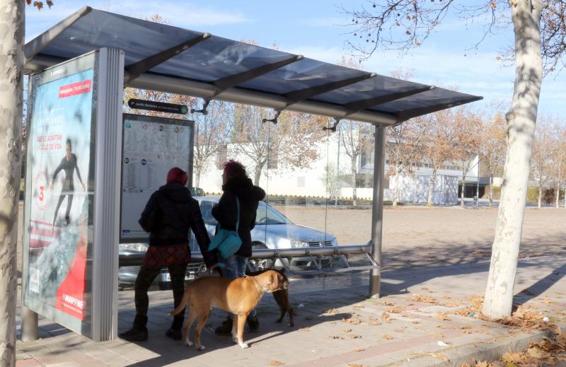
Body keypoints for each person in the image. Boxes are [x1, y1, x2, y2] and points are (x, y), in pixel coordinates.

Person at [119, 167, 215, 342]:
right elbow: (200, 232)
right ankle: (177, 328)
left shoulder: (158, 197)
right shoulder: (191, 203)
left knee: (141, 285)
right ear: (184, 182)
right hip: (179, 250)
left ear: (168, 179)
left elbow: (145, 223)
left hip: (159, 249)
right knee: (179, 289)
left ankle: (140, 327)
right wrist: (210, 259)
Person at [212, 160, 266, 335]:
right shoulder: (252, 195)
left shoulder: (229, 195)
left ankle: (231, 322)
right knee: (243, 284)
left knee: (231, 286)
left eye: (224, 173)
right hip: (244, 243)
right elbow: (250, 223)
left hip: (229, 245)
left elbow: (226, 220)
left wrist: (215, 212)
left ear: (230, 175)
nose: (222, 176)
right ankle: (252, 316)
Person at [52, 139, 85, 226]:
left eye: (69, 149)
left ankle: (66, 222)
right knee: (58, 204)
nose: (68, 151)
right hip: (65, 186)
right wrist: (52, 182)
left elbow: (77, 169)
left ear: (71, 149)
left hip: (71, 186)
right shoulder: (63, 161)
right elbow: (56, 171)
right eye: (67, 149)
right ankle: (53, 223)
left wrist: (82, 182)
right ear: (65, 150)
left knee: (69, 206)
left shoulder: (74, 157)